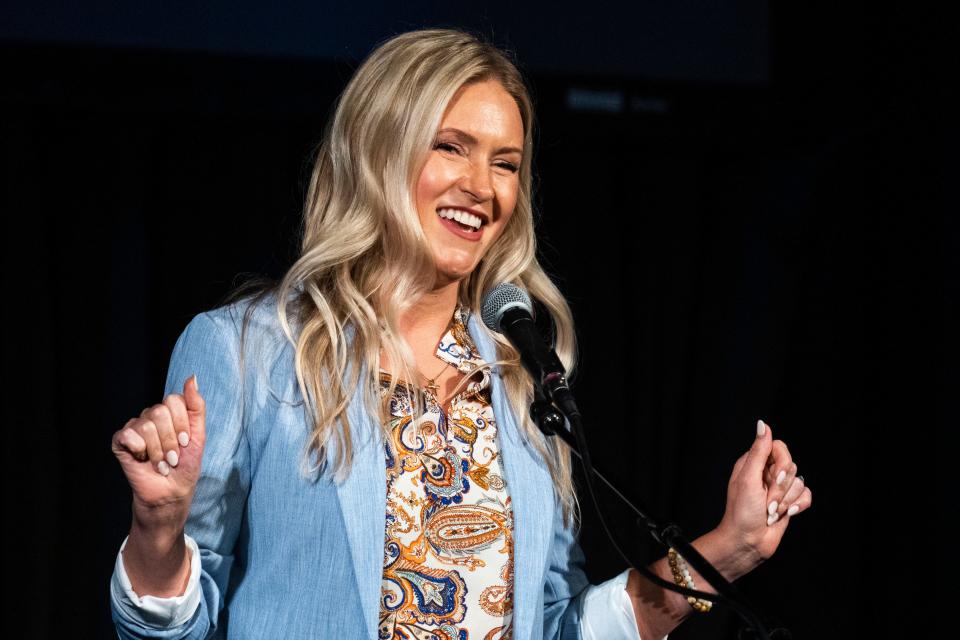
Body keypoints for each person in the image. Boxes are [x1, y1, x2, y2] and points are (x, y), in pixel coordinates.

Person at [109, 29, 812, 640]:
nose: (484, 186)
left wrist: (729, 547)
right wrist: (158, 529)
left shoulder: (518, 374)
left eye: (505, 163)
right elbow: (169, 628)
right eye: (453, 147)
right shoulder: (251, 350)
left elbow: (560, 626)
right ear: (379, 154)